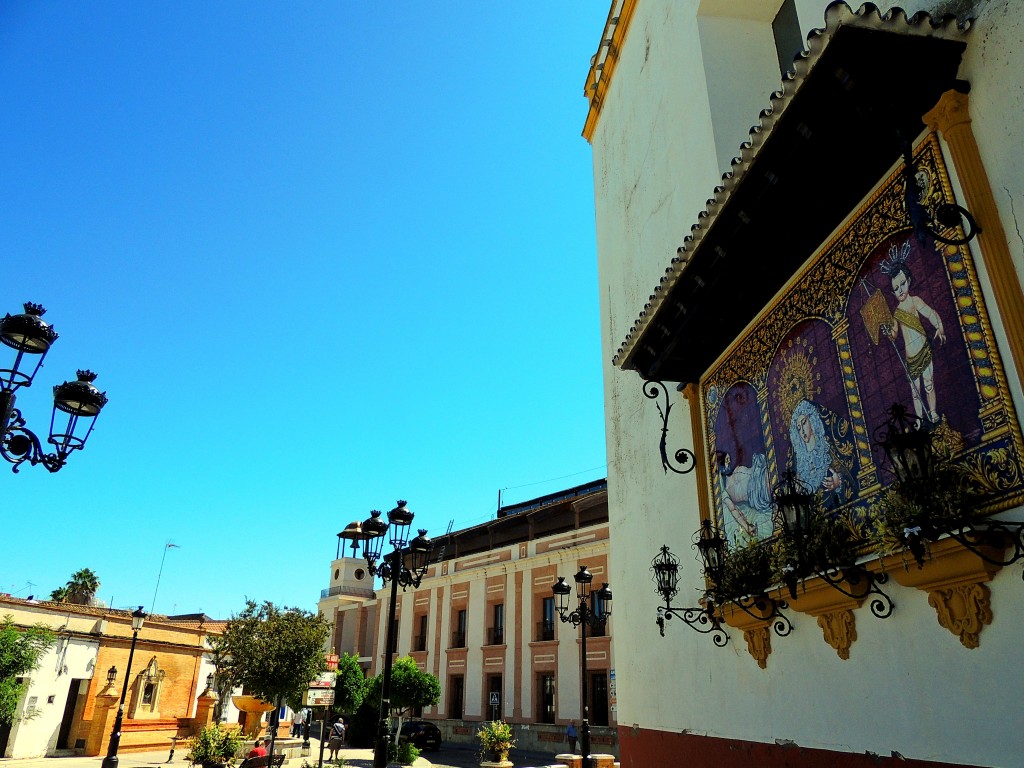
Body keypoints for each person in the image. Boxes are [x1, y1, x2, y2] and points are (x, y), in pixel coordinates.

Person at [881, 243, 946, 424]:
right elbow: (894, 334)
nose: (901, 290)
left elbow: (930, 313)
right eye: (896, 288)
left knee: (929, 384)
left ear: (908, 281)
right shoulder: (896, 313)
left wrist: (939, 327)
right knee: (915, 392)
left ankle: (933, 412)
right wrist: (888, 332)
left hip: (924, 350)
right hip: (911, 358)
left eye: (902, 284)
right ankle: (919, 420)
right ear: (893, 292)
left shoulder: (915, 301)